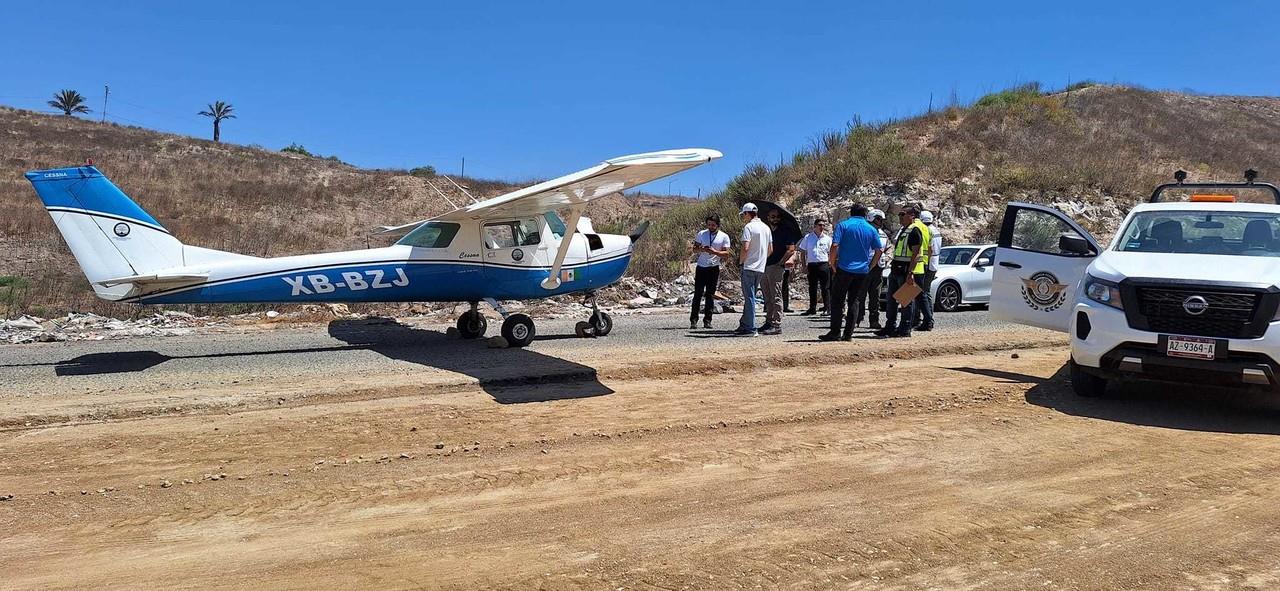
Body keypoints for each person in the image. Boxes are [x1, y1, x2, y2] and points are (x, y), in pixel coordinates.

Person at [819, 204, 883, 342]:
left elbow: (835, 245)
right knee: (855, 301)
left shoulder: (843, 225)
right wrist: (871, 266)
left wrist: (831, 263)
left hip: (844, 268)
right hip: (862, 270)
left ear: (851, 213)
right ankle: (848, 334)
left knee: (837, 300)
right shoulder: (871, 229)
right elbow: (879, 250)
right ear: (865, 214)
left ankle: (835, 332)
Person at [876, 207, 929, 339]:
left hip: (905, 270)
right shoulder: (903, 230)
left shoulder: (914, 231)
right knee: (891, 299)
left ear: (912, 216)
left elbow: (916, 254)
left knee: (906, 301)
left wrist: (910, 272)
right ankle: (890, 326)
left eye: (903, 214)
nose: (900, 216)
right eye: (899, 214)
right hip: (896, 269)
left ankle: (905, 328)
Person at [761, 207, 799, 335]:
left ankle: (777, 324)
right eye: (773, 216)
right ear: (768, 218)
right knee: (767, 296)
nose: (775, 219)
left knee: (776, 295)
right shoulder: (766, 231)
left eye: (777, 217)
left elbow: (791, 249)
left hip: (776, 267)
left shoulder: (785, 231)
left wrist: (781, 262)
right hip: (765, 265)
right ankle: (769, 321)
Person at [736, 203, 772, 336]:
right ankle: (745, 324)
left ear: (747, 213)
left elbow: (745, 247)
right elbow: (770, 249)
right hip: (760, 267)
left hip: (749, 266)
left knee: (749, 297)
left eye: (743, 215)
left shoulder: (749, 227)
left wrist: (741, 261)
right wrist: (761, 259)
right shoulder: (766, 228)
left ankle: (751, 328)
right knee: (750, 295)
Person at [690, 214, 731, 329]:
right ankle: (693, 320)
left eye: (713, 225)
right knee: (697, 294)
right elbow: (694, 249)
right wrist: (702, 249)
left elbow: (727, 254)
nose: (710, 227)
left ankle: (707, 320)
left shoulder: (724, 236)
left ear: (717, 225)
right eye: (708, 225)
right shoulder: (701, 234)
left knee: (710, 295)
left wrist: (714, 252)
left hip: (713, 268)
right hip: (701, 267)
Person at [857, 209, 890, 330]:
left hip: (878, 268)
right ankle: (857, 317)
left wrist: (885, 258)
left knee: (875, 295)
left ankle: (874, 320)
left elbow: (887, 247)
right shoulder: (864, 231)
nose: (880, 222)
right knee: (860, 294)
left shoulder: (882, 234)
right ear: (871, 218)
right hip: (864, 266)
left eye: (881, 220)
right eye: (878, 219)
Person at [914, 210, 942, 332]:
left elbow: (929, 250)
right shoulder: (936, 230)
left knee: (923, 293)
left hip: (927, 264)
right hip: (933, 264)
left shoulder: (926, 230)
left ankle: (926, 319)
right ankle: (927, 318)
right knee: (925, 292)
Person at [797, 218, 832, 315]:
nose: (822, 227)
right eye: (820, 225)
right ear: (815, 226)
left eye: (823, 225)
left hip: (823, 264)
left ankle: (827, 308)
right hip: (812, 265)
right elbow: (803, 252)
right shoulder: (808, 237)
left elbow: (832, 252)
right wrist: (804, 266)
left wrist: (830, 263)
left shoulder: (827, 239)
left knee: (826, 287)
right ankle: (812, 308)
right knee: (812, 287)